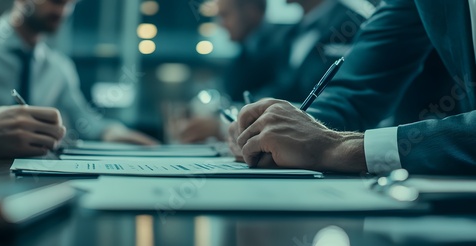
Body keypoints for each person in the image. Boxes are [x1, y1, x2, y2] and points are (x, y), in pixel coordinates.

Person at [229, 0, 476, 175]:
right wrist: (272, 130)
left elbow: (329, 140)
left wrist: (339, 148)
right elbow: (354, 92)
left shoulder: (349, 16)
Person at [0, 0, 158, 158]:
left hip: (33, 179)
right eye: (56, 1)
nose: (62, 12)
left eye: (69, 4)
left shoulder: (59, 67)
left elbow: (84, 120)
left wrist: (110, 132)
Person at [179, 0, 284, 143]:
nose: (220, 24)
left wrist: (219, 125)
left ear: (251, 12)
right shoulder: (245, 54)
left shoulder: (282, 48)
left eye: (225, 15)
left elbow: (276, 101)